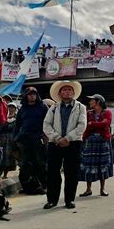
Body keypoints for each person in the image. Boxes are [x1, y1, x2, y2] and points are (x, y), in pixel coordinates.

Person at [43, 81, 87, 210]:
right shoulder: (54, 107)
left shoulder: (80, 107)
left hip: (73, 143)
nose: (67, 92)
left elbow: (82, 125)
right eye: (64, 90)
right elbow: (46, 124)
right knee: (52, 172)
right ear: (59, 93)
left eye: (70, 90)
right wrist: (57, 138)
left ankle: (69, 200)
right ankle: (52, 200)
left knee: (72, 172)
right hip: (54, 143)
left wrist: (68, 138)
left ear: (73, 93)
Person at [13, 87, 48, 195]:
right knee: (25, 164)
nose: (32, 96)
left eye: (34, 94)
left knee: (41, 163)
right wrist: (15, 138)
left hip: (38, 138)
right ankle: (29, 186)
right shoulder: (23, 109)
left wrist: (46, 135)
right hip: (25, 140)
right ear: (26, 96)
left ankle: (45, 185)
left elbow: (49, 122)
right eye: (29, 94)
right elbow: (17, 125)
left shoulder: (43, 107)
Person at [79, 94, 113, 197]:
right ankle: (88, 189)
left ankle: (102, 189)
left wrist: (92, 124)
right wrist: (95, 124)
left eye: (92, 100)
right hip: (90, 141)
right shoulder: (88, 113)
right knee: (89, 164)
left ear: (98, 101)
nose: (90, 102)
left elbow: (105, 124)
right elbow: (86, 126)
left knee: (103, 165)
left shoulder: (107, 112)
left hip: (103, 141)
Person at [0, 102, 18, 179]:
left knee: (9, 156)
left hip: (11, 139)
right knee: (1, 155)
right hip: (3, 139)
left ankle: (5, 174)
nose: (11, 109)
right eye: (9, 107)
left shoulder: (16, 118)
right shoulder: (3, 117)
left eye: (13, 107)